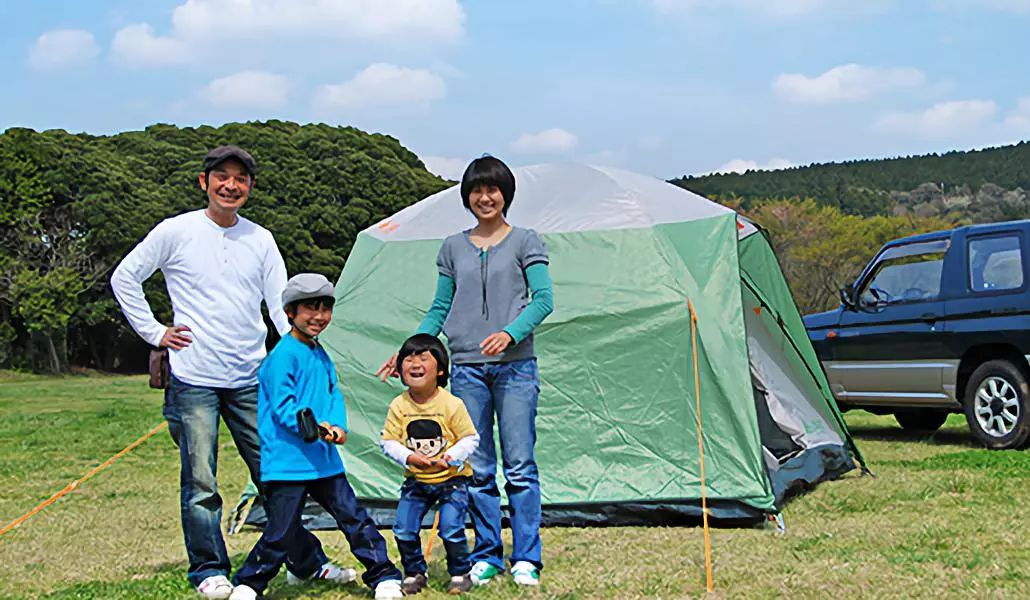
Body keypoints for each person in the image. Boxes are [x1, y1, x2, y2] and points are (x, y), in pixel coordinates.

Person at [110, 146, 346, 599]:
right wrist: (156, 332)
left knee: (279, 476)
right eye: (222, 177)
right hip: (194, 375)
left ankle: (304, 562)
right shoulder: (175, 231)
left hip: (252, 376)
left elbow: (283, 308)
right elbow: (125, 277)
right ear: (205, 182)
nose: (231, 185)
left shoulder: (260, 238)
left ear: (250, 188)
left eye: (241, 179)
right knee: (201, 481)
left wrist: (303, 360)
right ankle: (209, 571)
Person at [376, 155, 554, 587]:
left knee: (520, 466)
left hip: (515, 369)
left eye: (492, 189)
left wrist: (509, 335)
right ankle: (487, 554)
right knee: (477, 466)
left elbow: (544, 300)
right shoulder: (452, 247)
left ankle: (526, 557)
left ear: (505, 194)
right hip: (468, 370)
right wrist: (407, 354)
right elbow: (440, 307)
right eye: (476, 190)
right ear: (467, 197)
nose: (485, 197)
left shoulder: (527, 240)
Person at [229, 273, 403, 600]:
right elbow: (284, 407)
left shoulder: (320, 353)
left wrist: (338, 426)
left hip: (324, 462)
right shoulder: (283, 355)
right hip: (287, 461)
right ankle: (248, 584)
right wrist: (320, 430)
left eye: (326, 308)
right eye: (311, 307)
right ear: (290, 312)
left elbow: (332, 392)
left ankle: (384, 576)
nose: (320, 316)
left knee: (354, 518)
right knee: (280, 531)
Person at [380, 334, 480, 595]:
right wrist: (409, 457)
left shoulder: (451, 404)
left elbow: (470, 438)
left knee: (451, 529)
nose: (415, 363)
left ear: (441, 370)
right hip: (416, 482)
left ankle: (460, 572)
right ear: (399, 368)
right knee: (402, 529)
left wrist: (450, 456)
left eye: (424, 358)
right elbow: (388, 442)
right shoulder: (399, 405)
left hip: (452, 482)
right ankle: (414, 572)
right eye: (408, 358)